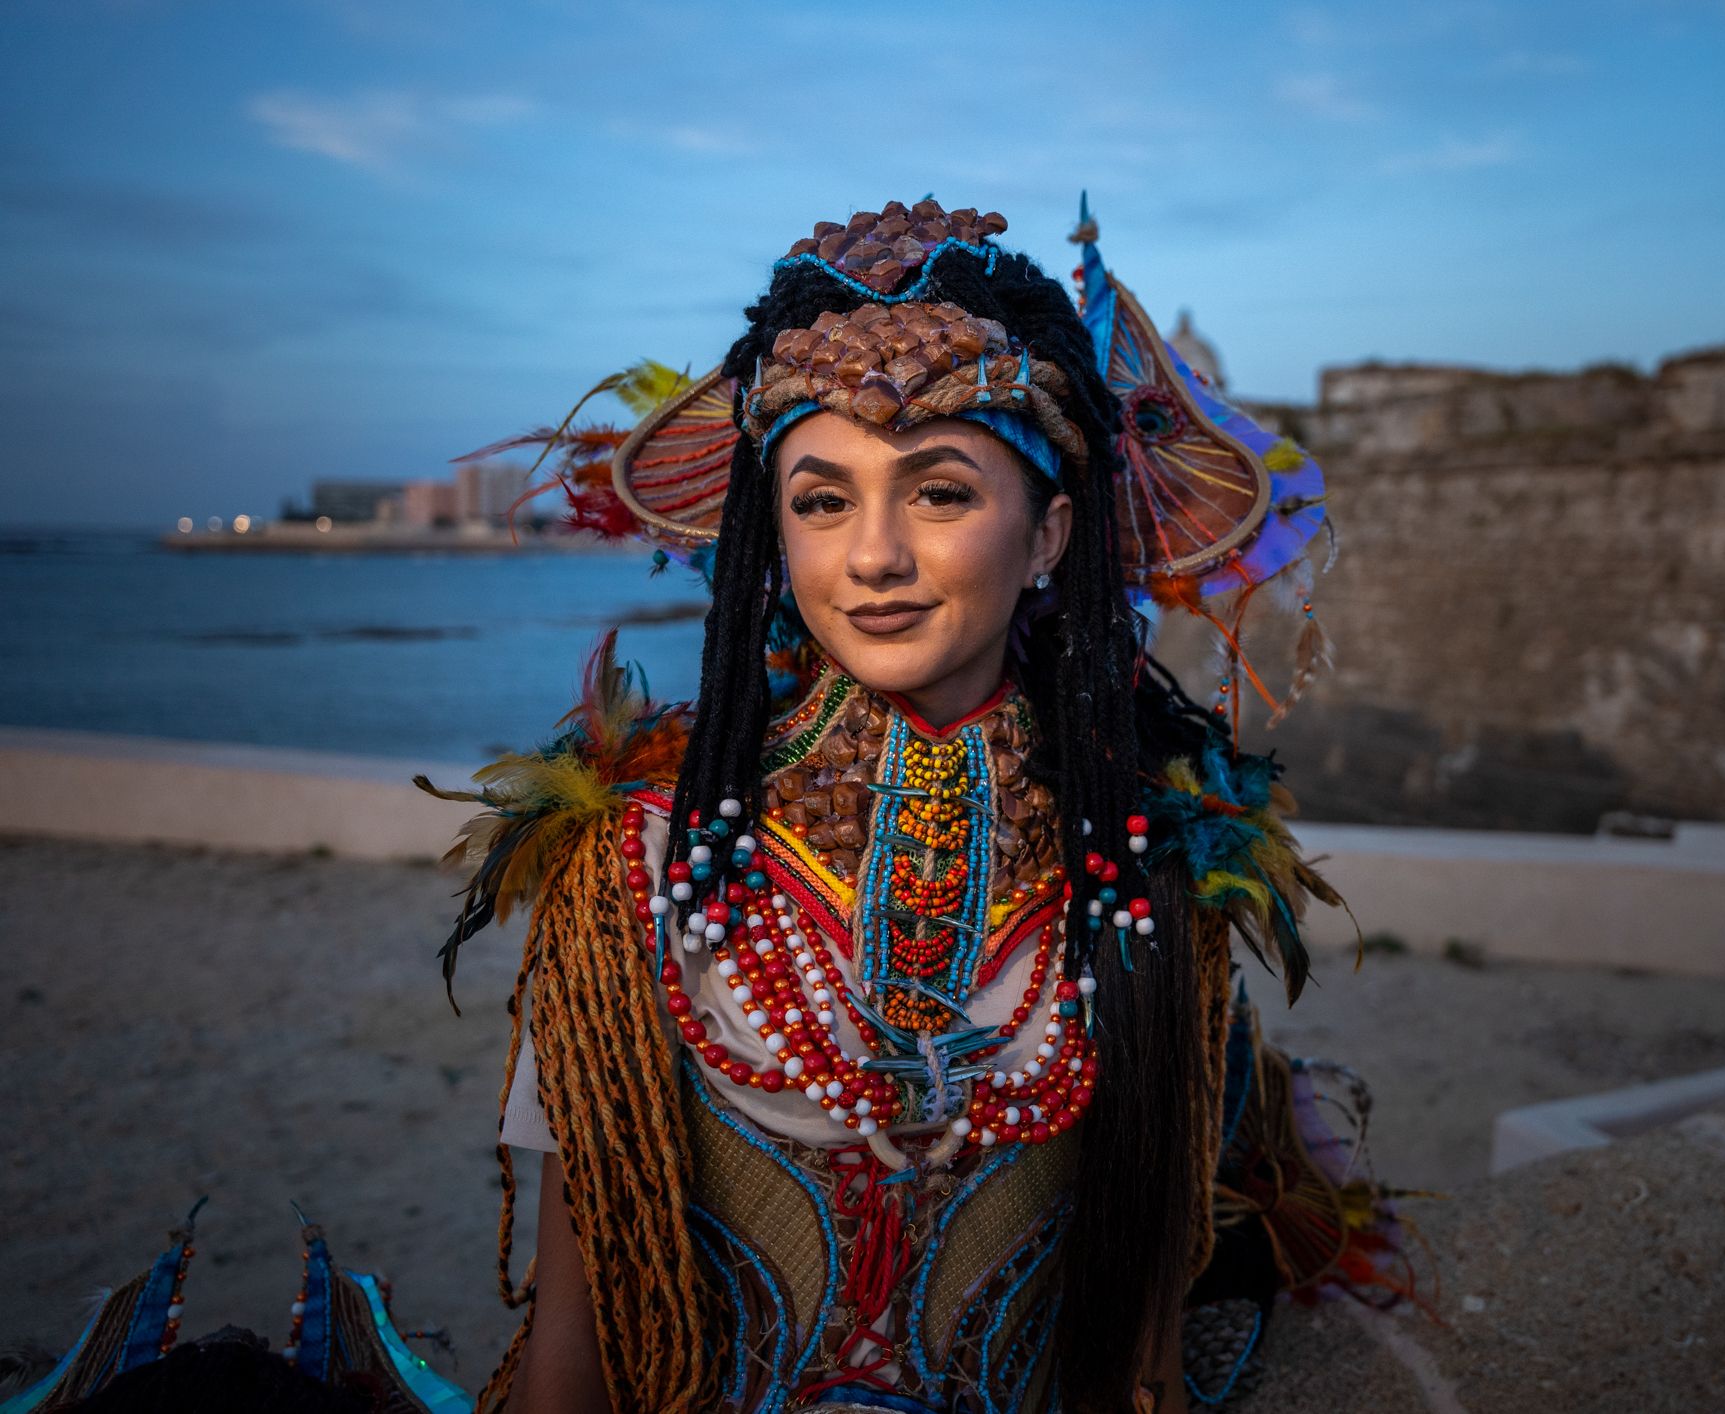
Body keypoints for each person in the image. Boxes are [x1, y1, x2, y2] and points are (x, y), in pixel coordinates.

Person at [424, 199, 1418, 1414]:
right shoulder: (632, 865)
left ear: (1050, 530)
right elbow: (570, 1345)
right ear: (770, 534)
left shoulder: (1153, 885)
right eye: (822, 500)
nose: (874, 557)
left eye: (940, 493)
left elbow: (1140, 1363)